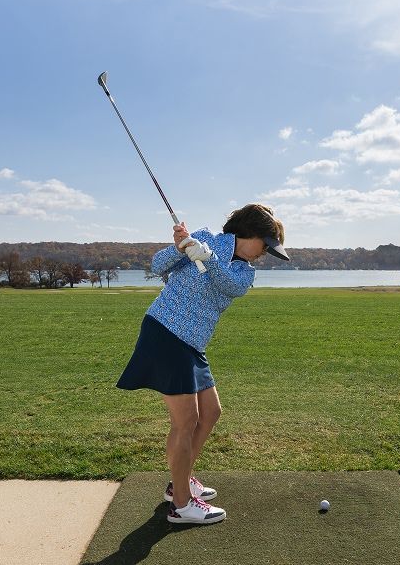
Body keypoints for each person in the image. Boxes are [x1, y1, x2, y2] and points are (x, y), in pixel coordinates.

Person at [117, 203, 289, 524]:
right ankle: (181, 505)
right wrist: (180, 247)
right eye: (265, 245)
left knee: (211, 412)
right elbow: (157, 265)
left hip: (193, 343)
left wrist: (207, 258)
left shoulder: (244, 272)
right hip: (167, 330)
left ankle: (179, 482)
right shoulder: (204, 238)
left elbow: (229, 285)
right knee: (186, 421)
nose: (264, 253)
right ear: (249, 233)